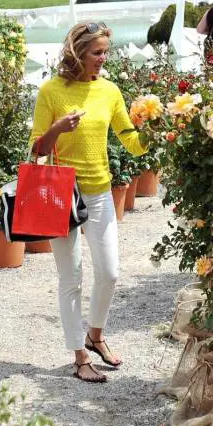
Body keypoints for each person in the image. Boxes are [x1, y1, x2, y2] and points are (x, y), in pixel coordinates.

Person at [29, 22, 147, 383]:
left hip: (100, 192)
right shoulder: (51, 91)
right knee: (71, 278)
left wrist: (158, 129)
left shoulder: (110, 91)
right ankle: (79, 356)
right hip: (60, 195)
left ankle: (95, 336)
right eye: (97, 52)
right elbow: (37, 150)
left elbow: (132, 141)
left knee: (109, 273)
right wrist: (57, 129)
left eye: (105, 52)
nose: (103, 59)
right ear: (78, 53)